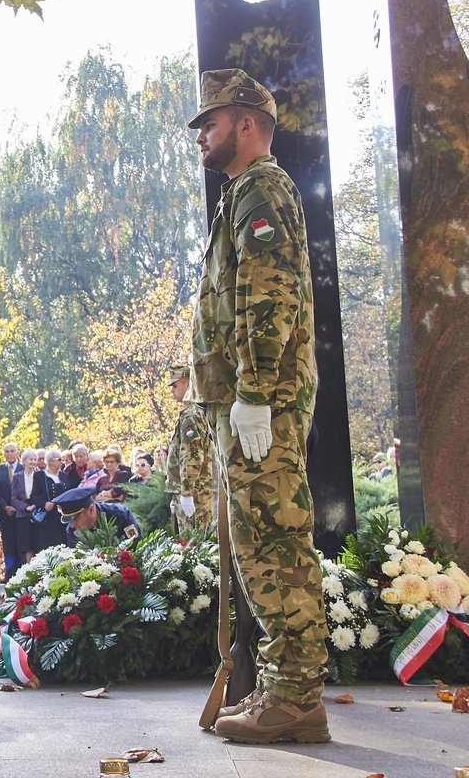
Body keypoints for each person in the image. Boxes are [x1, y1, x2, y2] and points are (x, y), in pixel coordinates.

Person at [188, 68, 329, 743]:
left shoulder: (262, 189)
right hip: (248, 404)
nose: (201, 137)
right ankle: (283, 688)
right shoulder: (244, 193)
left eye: (209, 124)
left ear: (246, 123)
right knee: (259, 544)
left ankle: (298, 695)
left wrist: (252, 393)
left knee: (276, 543)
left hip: (261, 405)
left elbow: (268, 295)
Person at [164, 362, 215, 533]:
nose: (172, 390)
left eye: (175, 385)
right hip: (194, 491)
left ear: (187, 382)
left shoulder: (191, 416)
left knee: (196, 545)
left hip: (196, 493)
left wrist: (186, 492)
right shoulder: (192, 413)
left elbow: (192, 456)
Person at [54, 484, 142, 543]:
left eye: (76, 518)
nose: (72, 525)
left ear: (91, 510)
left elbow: (135, 545)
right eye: (69, 520)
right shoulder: (72, 531)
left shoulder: (120, 515)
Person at [10, 448, 48, 567]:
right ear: (24, 461)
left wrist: (36, 506)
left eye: (35, 459)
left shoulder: (41, 475)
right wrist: (26, 507)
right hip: (23, 512)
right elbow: (14, 498)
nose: (33, 462)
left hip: (39, 511)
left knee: (39, 542)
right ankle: (28, 570)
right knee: (26, 544)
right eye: (30, 459)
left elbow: (43, 494)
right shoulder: (17, 477)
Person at [0, 442, 22, 578]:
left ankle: (22, 574)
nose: (10, 453)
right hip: (4, 512)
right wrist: (5, 506)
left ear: (18, 453)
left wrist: (17, 506)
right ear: (4, 454)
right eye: (7, 451)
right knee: (8, 544)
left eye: (12, 451)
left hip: (21, 513)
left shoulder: (25, 468)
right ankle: (10, 575)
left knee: (21, 543)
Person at [39, 448, 70, 549]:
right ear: (51, 461)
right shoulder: (40, 476)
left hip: (64, 514)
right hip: (49, 516)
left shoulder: (64, 475)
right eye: (60, 459)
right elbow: (34, 496)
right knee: (51, 543)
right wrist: (44, 504)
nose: (62, 462)